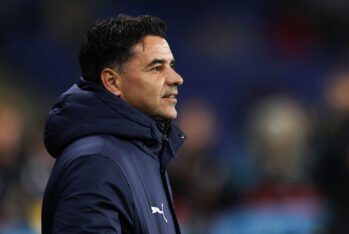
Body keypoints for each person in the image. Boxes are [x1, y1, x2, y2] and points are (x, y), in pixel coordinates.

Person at [41, 14, 185, 234]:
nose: (176, 78)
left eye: (171, 65)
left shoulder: (145, 152)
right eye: (157, 68)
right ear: (112, 81)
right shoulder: (97, 163)